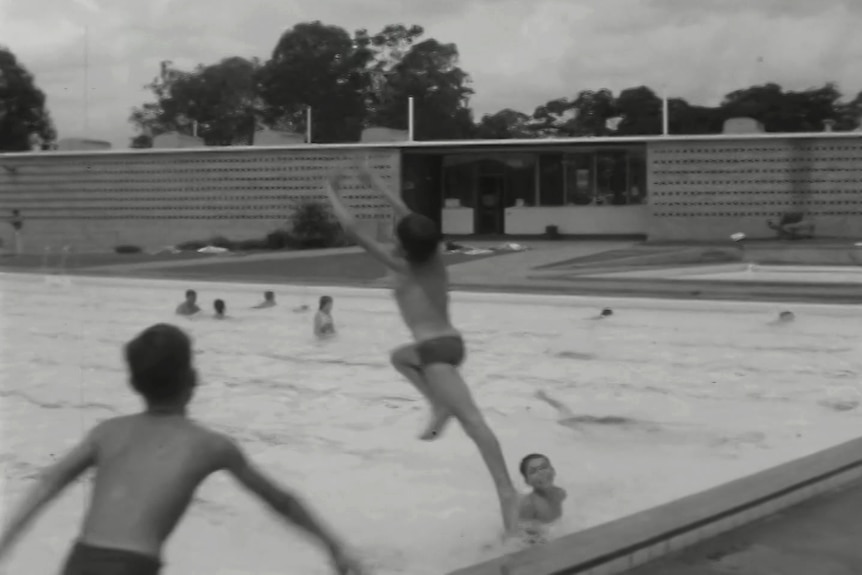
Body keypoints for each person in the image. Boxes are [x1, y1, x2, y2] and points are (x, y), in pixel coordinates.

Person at [0, 324, 366, 575]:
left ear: (132, 383)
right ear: (194, 378)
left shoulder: (106, 431)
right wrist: (334, 545)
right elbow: (281, 500)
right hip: (132, 566)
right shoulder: (209, 444)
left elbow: (49, 482)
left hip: (78, 561)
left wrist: (7, 538)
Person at [325, 167, 519, 534]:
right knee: (400, 357)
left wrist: (331, 189)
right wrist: (377, 185)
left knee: (474, 422)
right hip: (449, 344)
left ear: (403, 244)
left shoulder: (401, 268)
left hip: (435, 355)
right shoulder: (435, 259)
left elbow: (354, 232)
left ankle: (507, 492)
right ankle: (437, 405)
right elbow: (407, 215)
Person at [517, 454, 566, 528]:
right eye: (533, 471)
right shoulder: (529, 505)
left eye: (544, 467)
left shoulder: (560, 493)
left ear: (553, 471)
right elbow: (519, 531)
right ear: (527, 481)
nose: (541, 473)